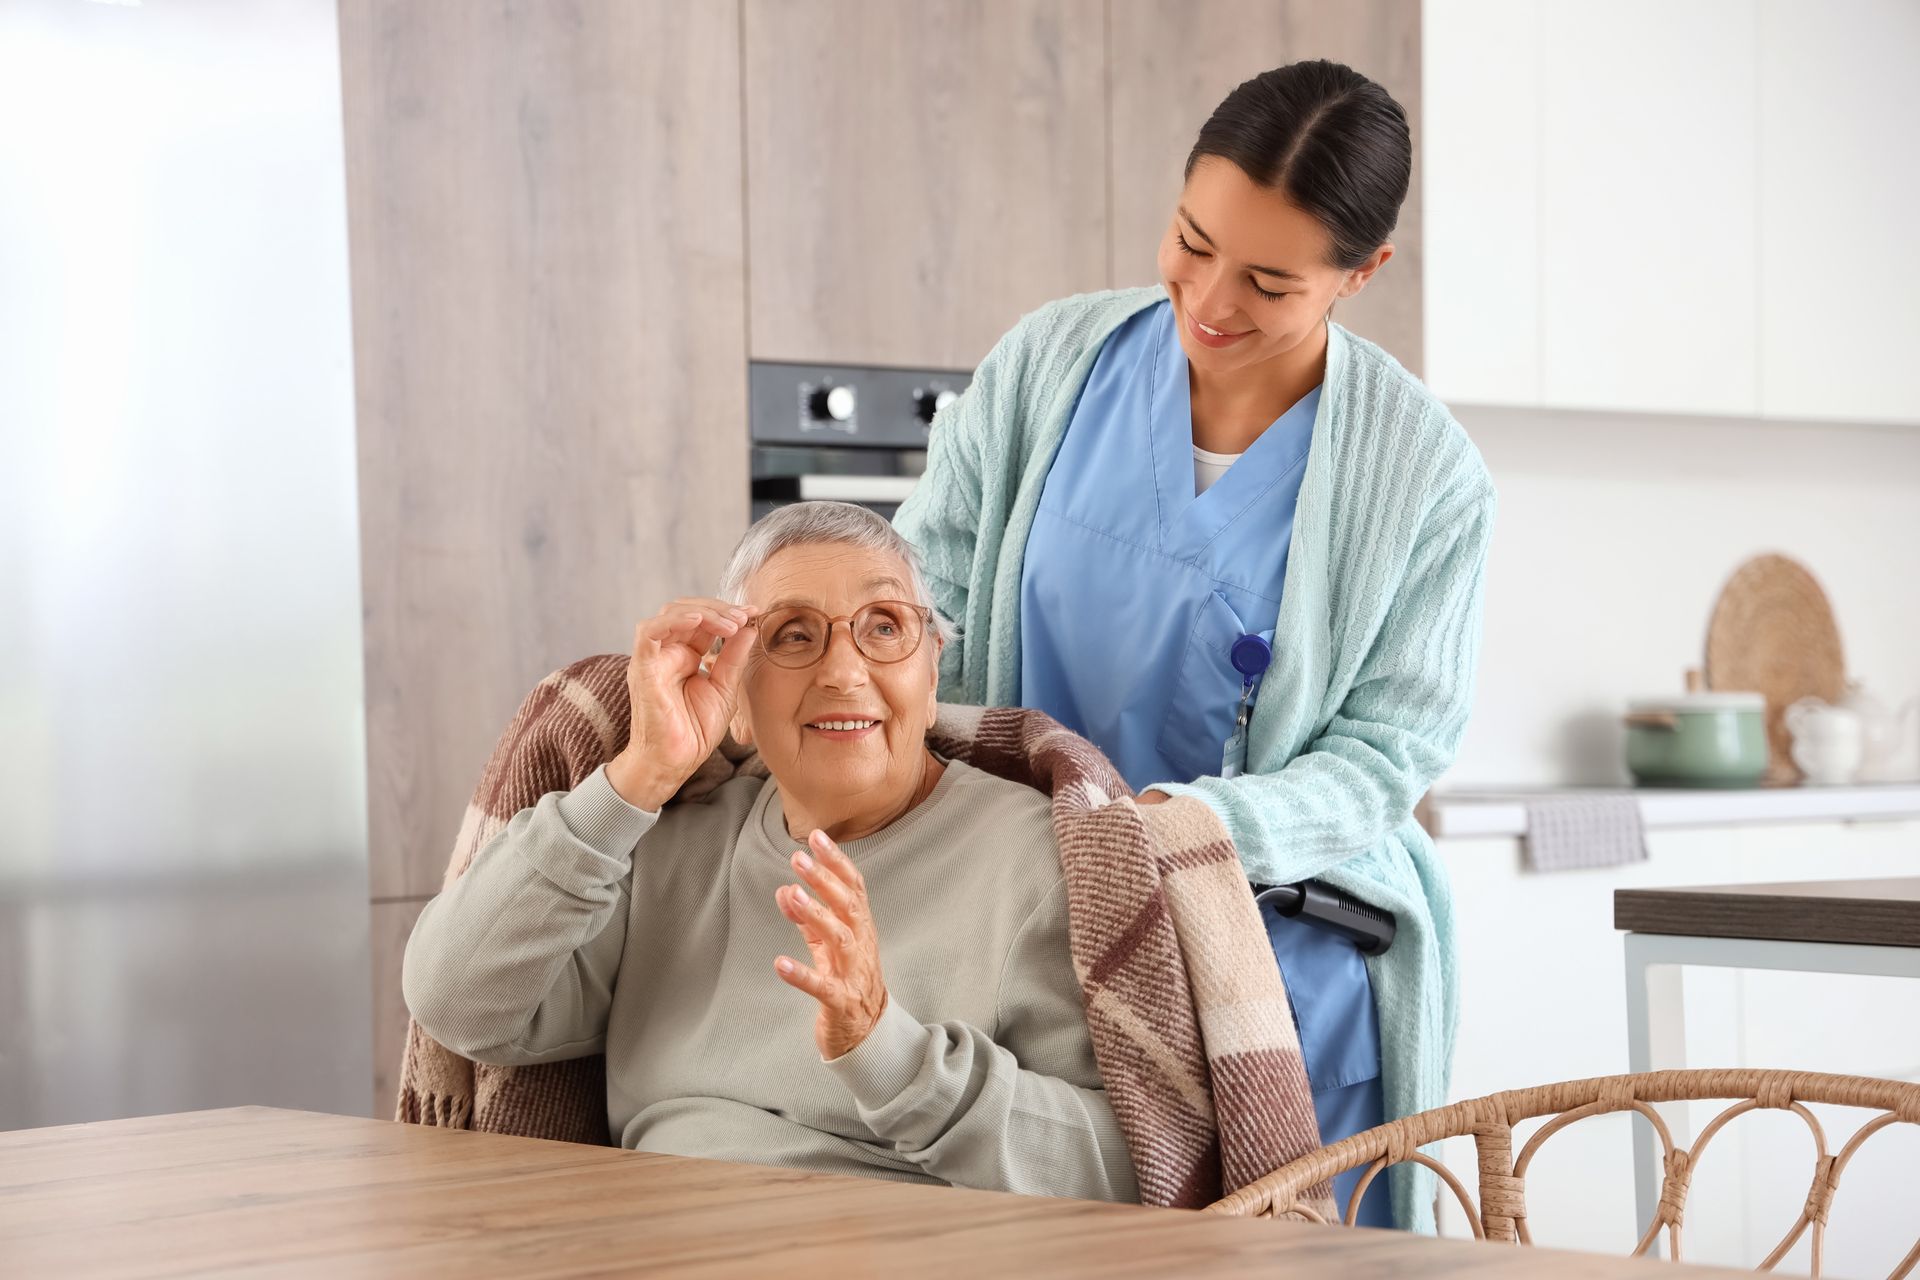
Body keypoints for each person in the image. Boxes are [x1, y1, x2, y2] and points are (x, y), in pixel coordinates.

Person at [892, 60, 1495, 1230]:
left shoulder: (1427, 477)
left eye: (1270, 280)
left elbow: (1388, 753)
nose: (1210, 298)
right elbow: (926, 604)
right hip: (1027, 933)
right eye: (1190, 240)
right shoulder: (1049, 365)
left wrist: (1194, 828)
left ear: (1361, 273)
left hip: (1284, 963)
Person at [403, 501, 1138, 1203]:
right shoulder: (663, 849)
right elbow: (458, 1005)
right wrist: (637, 779)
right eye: (791, 634)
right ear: (737, 700)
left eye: (884, 627)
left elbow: (1126, 1171)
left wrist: (891, 1052)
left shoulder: (1035, 860)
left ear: (933, 670)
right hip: (650, 1241)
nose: (845, 672)